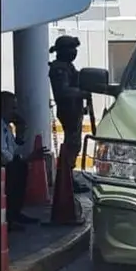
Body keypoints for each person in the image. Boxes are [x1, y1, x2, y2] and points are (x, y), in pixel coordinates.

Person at [1, 91, 45, 232]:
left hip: (7, 165)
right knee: (16, 169)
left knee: (21, 168)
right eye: (12, 108)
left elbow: (14, 149)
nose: (14, 112)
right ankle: (9, 217)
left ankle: (15, 213)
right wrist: (25, 158)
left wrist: (21, 132)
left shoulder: (6, 127)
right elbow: (4, 156)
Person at [48, 36, 88, 171]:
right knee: (72, 145)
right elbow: (63, 91)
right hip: (68, 110)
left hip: (74, 109)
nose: (73, 52)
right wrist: (82, 93)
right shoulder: (59, 68)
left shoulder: (68, 66)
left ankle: (68, 175)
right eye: (71, 48)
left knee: (75, 144)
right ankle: (66, 176)